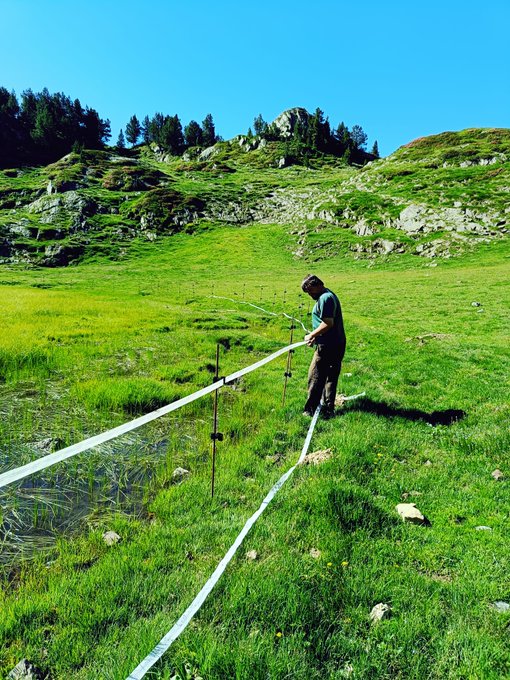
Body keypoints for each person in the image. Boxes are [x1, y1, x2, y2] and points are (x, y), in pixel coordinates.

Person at [301, 274, 346, 418]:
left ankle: (310, 410)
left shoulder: (325, 298)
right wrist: (317, 336)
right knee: (331, 377)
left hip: (328, 346)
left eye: (310, 291)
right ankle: (328, 408)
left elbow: (328, 323)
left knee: (315, 375)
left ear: (318, 285)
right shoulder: (327, 295)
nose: (310, 295)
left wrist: (312, 335)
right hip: (335, 343)